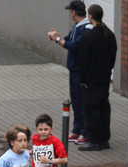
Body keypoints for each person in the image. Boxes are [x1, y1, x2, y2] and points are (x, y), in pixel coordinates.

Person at [47, 0, 92, 145]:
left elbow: (73, 46)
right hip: (74, 71)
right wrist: (57, 38)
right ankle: (77, 129)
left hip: (80, 72)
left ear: (73, 12)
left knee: (82, 102)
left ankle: (84, 132)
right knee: (76, 102)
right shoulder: (77, 27)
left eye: (70, 11)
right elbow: (68, 39)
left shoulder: (86, 29)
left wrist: (58, 39)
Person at [77, 4, 116, 152]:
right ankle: (104, 139)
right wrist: (107, 69)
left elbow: (84, 60)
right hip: (104, 78)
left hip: (91, 80)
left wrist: (82, 78)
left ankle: (94, 139)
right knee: (103, 107)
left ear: (90, 16)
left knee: (91, 110)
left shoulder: (89, 36)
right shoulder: (109, 35)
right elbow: (113, 55)